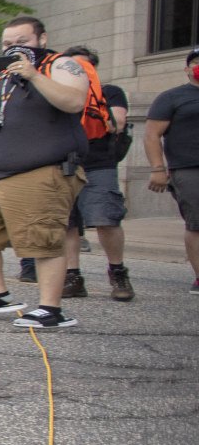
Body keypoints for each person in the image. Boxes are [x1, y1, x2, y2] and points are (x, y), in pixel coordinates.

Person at [0, 16, 90, 330]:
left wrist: (34, 74)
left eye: (21, 42)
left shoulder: (60, 65)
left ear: (41, 39)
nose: (14, 48)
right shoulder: (3, 76)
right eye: (7, 44)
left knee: (42, 241)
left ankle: (50, 309)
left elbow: (73, 101)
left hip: (41, 169)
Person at [56, 47, 133, 302]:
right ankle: (73, 276)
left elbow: (117, 124)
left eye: (83, 67)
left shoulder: (109, 92)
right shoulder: (58, 94)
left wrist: (89, 96)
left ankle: (118, 271)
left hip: (98, 163)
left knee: (106, 218)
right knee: (68, 223)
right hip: (64, 161)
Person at [143, 43, 199, 294]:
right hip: (189, 169)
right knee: (197, 224)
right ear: (187, 69)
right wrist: (158, 169)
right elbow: (152, 135)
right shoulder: (172, 97)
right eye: (196, 62)